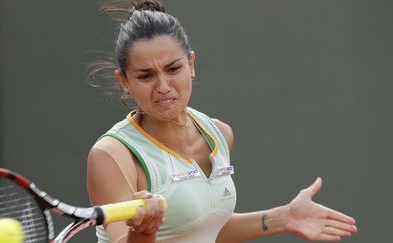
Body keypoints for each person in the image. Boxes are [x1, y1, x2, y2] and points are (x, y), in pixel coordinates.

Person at [86, 1, 358, 242]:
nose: (163, 86)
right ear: (124, 82)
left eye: (173, 69)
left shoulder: (219, 134)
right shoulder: (111, 156)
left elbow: (203, 228)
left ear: (191, 64)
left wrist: (283, 217)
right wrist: (143, 232)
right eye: (146, 76)